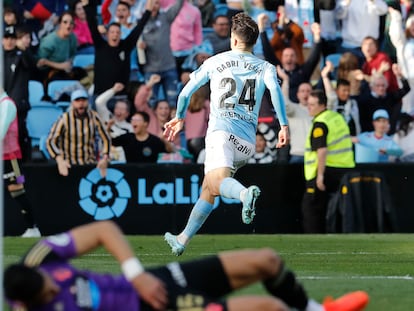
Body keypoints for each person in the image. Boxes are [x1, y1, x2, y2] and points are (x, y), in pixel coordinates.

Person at [3, 220, 370, 311]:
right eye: (50, 294)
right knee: (270, 307)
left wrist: (136, 274)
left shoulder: (40, 259)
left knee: (266, 259)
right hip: (158, 307)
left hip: (152, 281)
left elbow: (103, 230)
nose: (56, 287)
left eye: (50, 282)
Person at [163, 13, 289, 256]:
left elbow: (185, 94)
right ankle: (182, 239)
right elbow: (275, 92)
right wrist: (283, 125)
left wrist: (179, 117)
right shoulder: (266, 67)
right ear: (254, 42)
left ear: (233, 40)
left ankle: (244, 194)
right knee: (208, 188)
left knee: (216, 182)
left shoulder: (214, 62)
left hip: (221, 134)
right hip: (247, 143)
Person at [301, 89, 355, 234]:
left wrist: (320, 175)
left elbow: (322, 150)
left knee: (311, 208)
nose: (309, 107)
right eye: (308, 104)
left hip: (324, 170)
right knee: (335, 207)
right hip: (345, 169)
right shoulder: (336, 117)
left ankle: (313, 240)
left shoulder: (320, 123)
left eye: (312, 104)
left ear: (322, 105)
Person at [0, 88, 40, 237]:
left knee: (18, 191)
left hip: (11, 159)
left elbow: (1, 132)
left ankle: (33, 227)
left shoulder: (7, 105)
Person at [46, 89, 111, 177]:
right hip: (68, 165)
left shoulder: (94, 117)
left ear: (87, 102)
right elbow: (50, 141)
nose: (81, 103)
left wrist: (105, 158)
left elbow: (106, 138)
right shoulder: (64, 119)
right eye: (77, 100)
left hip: (89, 164)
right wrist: (59, 160)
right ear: (72, 103)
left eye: (83, 100)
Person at [3, 25, 37, 162]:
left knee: (16, 146)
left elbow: (33, 67)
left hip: (18, 107)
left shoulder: (21, 56)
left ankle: (21, 181)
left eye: (13, 38)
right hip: (2, 107)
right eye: (6, 38)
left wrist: (23, 49)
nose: (9, 41)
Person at [276, 65, 312, 164]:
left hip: (314, 155)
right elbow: (284, 103)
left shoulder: (318, 111)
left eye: (308, 91)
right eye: (302, 91)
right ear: (297, 94)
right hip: (297, 155)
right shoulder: (294, 109)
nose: (306, 94)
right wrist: (286, 80)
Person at [321, 61, 361, 136]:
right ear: (337, 91)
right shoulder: (332, 102)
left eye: (348, 90)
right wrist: (325, 77)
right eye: (344, 90)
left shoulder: (353, 103)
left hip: (352, 140)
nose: (347, 93)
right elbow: (330, 93)